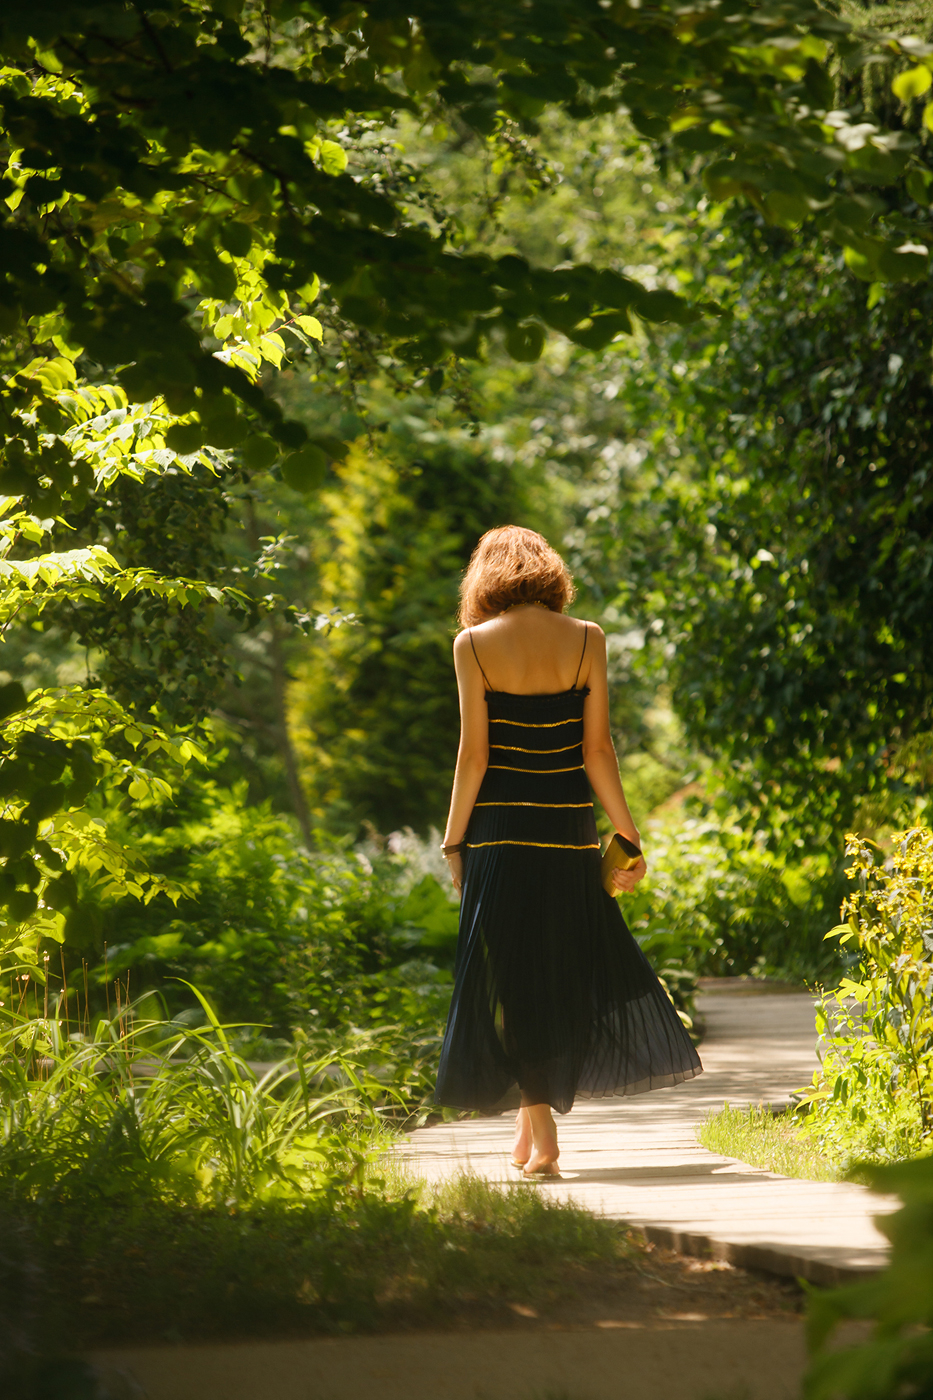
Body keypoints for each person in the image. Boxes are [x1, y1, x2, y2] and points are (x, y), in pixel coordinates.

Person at [435, 526, 702, 1176]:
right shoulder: (585, 638)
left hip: (498, 836)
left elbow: (473, 756)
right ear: (548, 573)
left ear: (485, 578)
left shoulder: (471, 646)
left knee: (513, 978)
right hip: (565, 835)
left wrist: (452, 840)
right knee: (555, 974)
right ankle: (533, 1134)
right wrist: (628, 832)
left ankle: (543, 1139)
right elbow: (597, 750)